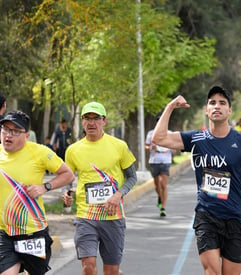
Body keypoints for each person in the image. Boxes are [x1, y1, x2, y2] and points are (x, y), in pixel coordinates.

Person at [151, 86, 241, 275]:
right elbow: (159, 138)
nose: (216, 106)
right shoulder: (196, 138)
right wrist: (170, 106)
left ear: (229, 110)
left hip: (236, 216)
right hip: (207, 215)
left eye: (222, 103)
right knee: (212, 271)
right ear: (206, 110)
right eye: (212, 103)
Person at [63, 102, 137, 275]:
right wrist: (66, 193)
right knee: (88, 266)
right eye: (87, 118)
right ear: (82, 121)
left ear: (104, 121)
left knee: (111, 271)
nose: (91, 123)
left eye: (96, 118)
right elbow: (68, 178)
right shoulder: (73, 150)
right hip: (85, 216)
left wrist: (119, 194)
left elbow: (132, 177)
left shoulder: (119, 146)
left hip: (113, 215)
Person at [0, 110, 75, 275]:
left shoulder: (40, 152)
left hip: (33, 231)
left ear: (26, 135)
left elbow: (67, 174)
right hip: (4, 232)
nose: (8, 134)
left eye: (15, 131)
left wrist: (45, 187)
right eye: (5, 129)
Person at [145, 117, 174, 217]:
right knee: (157, 185)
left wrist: (173, 148)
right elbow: (146, 146)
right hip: (154, 161)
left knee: (163, 184)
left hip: (166, 161)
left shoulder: (170, 133)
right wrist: (150, 148)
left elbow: (175, 147)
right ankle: (160, 197)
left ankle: (163, 207)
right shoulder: (151, 133)